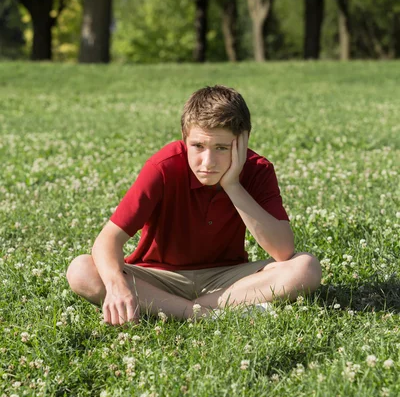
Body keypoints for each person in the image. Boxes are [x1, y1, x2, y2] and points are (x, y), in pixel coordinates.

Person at [66, 85, 321, 326]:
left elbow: (283, 250)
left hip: (227, 278)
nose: (207, 161)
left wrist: (232, 184)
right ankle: (204, 315)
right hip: (159, 277)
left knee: (305, 267)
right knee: (81, 269)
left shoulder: (258, 170)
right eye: (198, 146)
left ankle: (183, 309)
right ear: (184, 138)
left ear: (243, 141)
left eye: (222, 147)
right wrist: (116, 286)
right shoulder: (163, 167)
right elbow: (107, 241)